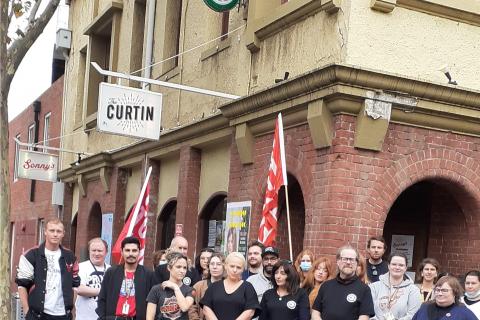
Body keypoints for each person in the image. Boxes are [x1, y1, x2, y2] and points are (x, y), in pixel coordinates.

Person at [16, 218, 80, 320]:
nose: (55, 234)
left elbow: (75, 284)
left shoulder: (70, 257)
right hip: (38, 314)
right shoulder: (31, 255)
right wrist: (27, 311)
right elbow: (22, 285)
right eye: (52, 230)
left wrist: (71, 308)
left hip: (63, 315)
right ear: (45, 232)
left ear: (63, 233)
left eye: (58, 231)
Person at [96, 236, 157, 320]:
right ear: (122, 252)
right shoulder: (111, 272)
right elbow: (102, 298)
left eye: (134, 250)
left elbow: (153, 302)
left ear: (139, 252)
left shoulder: (148, 275)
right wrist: (103, 317)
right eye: (127, 250)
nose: (131, 254)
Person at [311, 245, 375, 320]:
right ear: (338, 261)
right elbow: (315, 312)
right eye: (345, 259)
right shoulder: (326, 286)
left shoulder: (364, 289)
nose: (348, 262)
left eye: (351, 259)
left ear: (356, 263)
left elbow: (364, 318)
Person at [200, 252, 260, 320]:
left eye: (238, 267)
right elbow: (206, 308)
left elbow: (250, 311)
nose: (235, 270)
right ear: (225, 266)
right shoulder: (214, 287)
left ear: (243, 269)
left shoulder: (248, 287)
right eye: (232, 266)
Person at [369, 253, 422, 320]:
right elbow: (368, 311)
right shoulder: (374, 287)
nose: (397, 267)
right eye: (394, 264)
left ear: (405, 268)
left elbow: (413, 315)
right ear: (388, 266)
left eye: (401, 265)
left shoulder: (413, 290)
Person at [146, 252, 194, 320]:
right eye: (178, 267)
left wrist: (175, 287)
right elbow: (149, 317)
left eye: (184, 268)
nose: (182, 271)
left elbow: (184, 307)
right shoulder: (156, 289)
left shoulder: (190, 290)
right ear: (169, 267)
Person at [75, 238, 110, 320]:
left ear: (106, 252)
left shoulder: (111, 270)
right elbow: (79, 289)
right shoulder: (80, 267)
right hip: (84, 317)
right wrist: (104, 292)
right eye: (93, 250)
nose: (96, 253)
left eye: (100, 251)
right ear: (89, 251)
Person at [412, 276, 478, 320]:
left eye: (444, 290)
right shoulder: (425, 307)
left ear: (455, 292)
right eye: (437, 290)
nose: (440, 293)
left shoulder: (463, 312)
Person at [189, 252, 225, 320]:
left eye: (218, 264)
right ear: (208, 266)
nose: (214, 267)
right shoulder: (198, 286)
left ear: (224, 266)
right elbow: (191, 307)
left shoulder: (229, 286)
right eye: (212, 264)